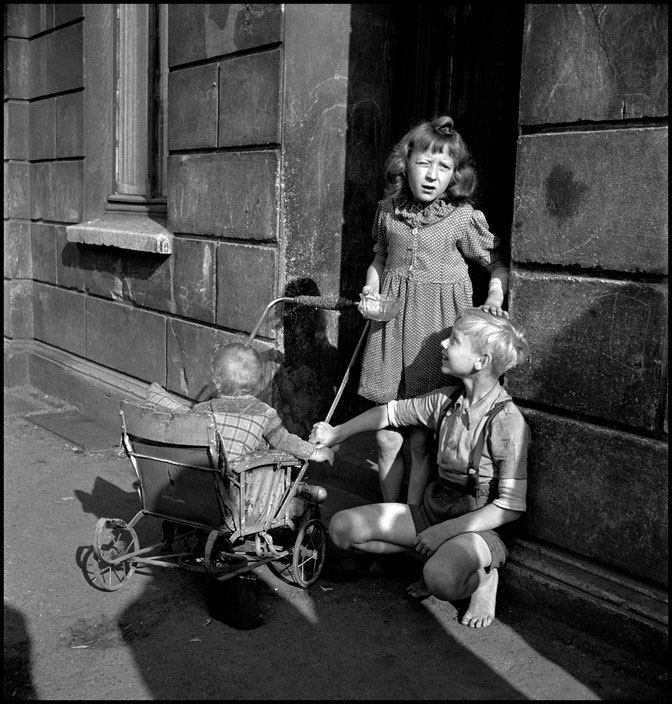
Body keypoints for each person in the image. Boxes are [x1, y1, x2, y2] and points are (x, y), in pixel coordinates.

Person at [310, 308, 530, 628]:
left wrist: (447, 531)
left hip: (482, 529)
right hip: (433, 511)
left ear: (481, 361)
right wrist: (336, 433)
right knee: (343, 528)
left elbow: (509, 508)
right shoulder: (445, 401)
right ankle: (435, 555)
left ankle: (482, 580)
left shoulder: (508, 423)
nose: (442, 344)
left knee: (440, 580)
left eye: (454, 341)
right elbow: (389, 414)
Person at [357, 115, 510, 505]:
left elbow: (496, 265)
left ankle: (410, 522)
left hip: (435, 333)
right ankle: (387, 518)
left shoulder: (462, 218)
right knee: (386, 433)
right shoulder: (388, 211)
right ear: (405, 163)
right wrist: (372, 288)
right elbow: (379, 257)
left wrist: (494, 296)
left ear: (454, 175)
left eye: (443, 167)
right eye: (424, 163)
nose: (431, 175)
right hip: (389, 328)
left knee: (421, 438)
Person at [192, 341, 333, 467]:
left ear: (217, 382)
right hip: (246, 482)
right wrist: (314, 453)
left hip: (206, 476)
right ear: (259, 385)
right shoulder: (263, 412)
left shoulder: (201, 410)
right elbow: (284, 441)